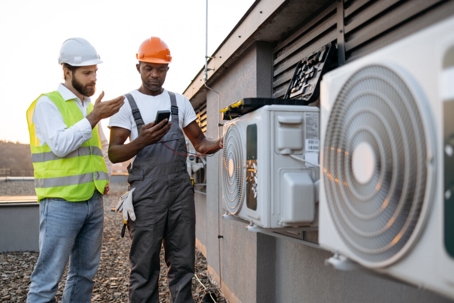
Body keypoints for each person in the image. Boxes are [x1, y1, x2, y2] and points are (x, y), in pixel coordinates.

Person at [108, 36, 223, 303]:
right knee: (145, 266)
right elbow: (114, 151)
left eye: (160, 69)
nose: (154, 74)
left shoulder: (179, 102)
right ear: (138, 67)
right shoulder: (126, 104)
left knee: (183, 262)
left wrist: (222, 141)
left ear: (168, 70)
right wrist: (141, 140)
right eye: (149, 68)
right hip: (146, 192)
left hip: (180, 192)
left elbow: (200, 143)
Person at [26, 37, 125, 303]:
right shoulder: (48, 104)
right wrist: (94, 117)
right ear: (67, 72)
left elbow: (100, 147)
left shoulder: (88, 106)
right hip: (60, 203)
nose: (93, 78)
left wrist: (104, 175)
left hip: (92, 201)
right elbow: (60, 145)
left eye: (95, 72)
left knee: (84, 275)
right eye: (87, 73)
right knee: (47, 280)